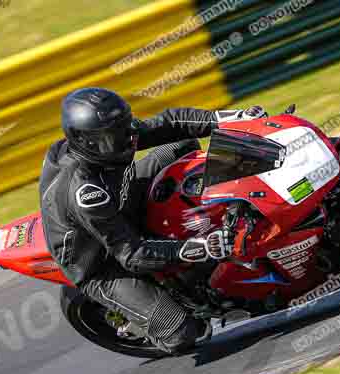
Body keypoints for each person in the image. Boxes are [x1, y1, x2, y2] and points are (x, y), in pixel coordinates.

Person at [39, 87, 267, 354]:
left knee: (182, 146)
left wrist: (230, 117)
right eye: (113, 138)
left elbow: (170, 123)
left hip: (120, 200)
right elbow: (132, 254)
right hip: (101, 262)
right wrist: (201, 247)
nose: (127, 140)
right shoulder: (85, 192)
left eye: (124, 128)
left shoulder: (109, 137)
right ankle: (163, 309)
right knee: (184, 333)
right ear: (86, 143)